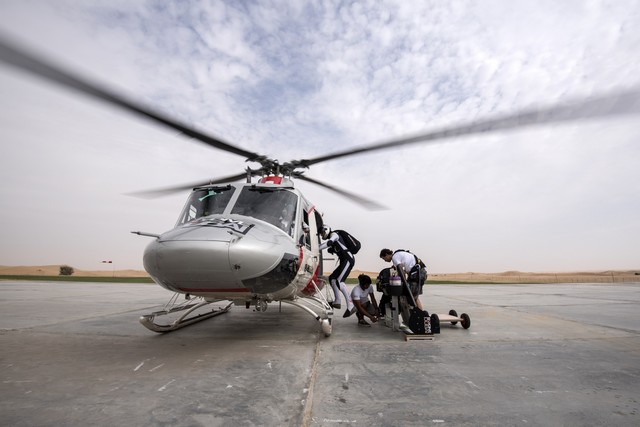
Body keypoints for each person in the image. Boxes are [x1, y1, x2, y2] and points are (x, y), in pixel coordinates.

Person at [319, 225, 356, 318]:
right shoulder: (333, 240)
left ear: (326, 230)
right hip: (344, 260)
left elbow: (328, 242)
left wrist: (315, 248)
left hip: (348, 259)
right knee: (332, 278)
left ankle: (351, 306)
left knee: (340, 281)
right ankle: (337, 301)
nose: (321, 235)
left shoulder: (334, 234)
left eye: (322, 233)